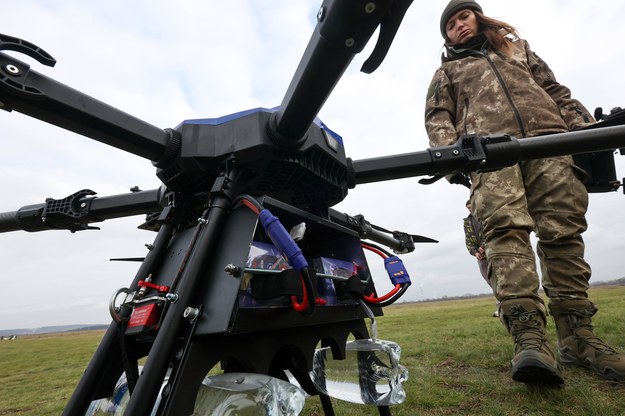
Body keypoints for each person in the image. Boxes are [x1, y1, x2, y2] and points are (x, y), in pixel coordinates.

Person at [426, 0, 625, 386]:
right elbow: (437, 117)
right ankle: (529, 337)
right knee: (505, 232)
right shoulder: (447, 71)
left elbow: (555, 90)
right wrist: (453, 161)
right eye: (449, 25)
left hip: (552, 144)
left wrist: (588, 131)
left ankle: (578, 338)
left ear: (478, 17)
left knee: (563, 233)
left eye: (463, 16)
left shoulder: (517, 50)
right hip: (488, 153)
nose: (458, 26)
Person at [463, 199, 499, 317]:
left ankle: (506, 306)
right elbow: (468, 239)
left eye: (471, 206)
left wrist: (484, 246)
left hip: (493, 252)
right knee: (490, 281)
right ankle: (501, 307)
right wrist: (474, 252)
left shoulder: (485, 216)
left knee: (500, 279)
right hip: (480, 257)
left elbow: (491, 231)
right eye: (467, 207)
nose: (469, 209)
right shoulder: (467, 222)